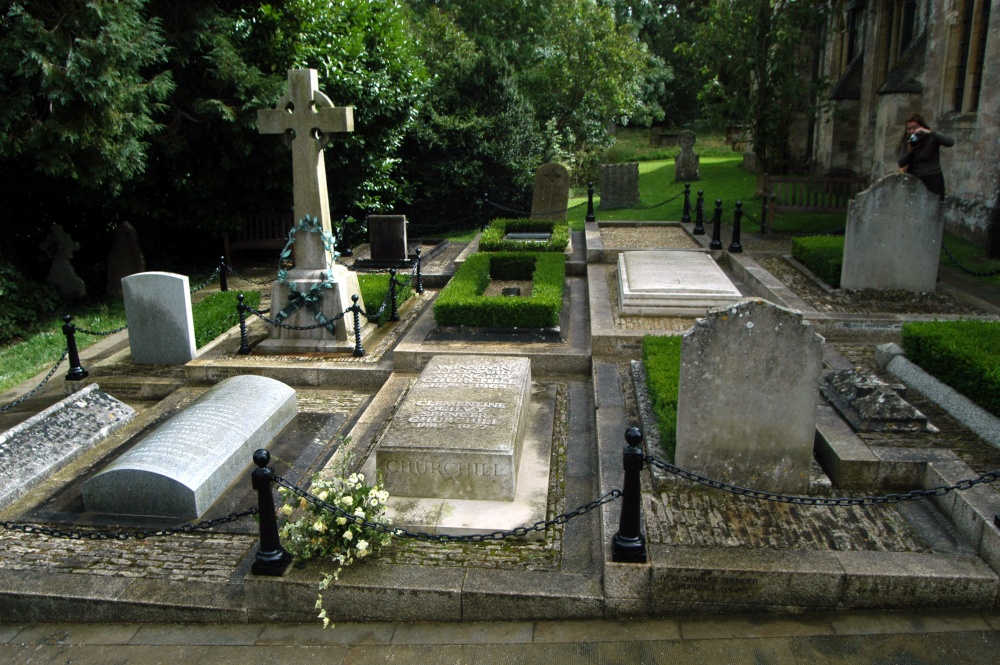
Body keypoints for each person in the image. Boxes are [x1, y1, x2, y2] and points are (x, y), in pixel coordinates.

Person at [897, 114, 954, 199]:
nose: (912, 131)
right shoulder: (908, 142)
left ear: (921, 127)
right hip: (915, 179)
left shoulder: (931, 139)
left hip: (933, 179)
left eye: (915, 127)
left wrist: (930, 132)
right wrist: (911, 150)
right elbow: (901, 163)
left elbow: (950, 142)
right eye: (909, 128)